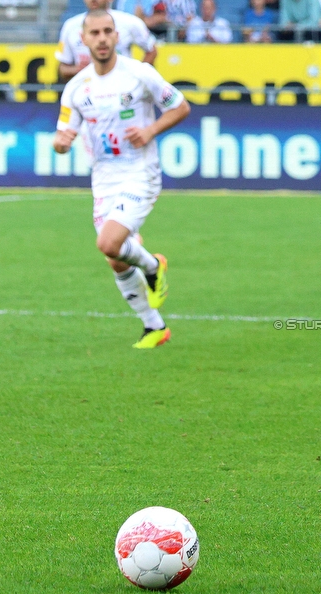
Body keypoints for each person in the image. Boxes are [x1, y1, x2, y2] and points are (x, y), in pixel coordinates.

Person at [54, 9, 192, 349]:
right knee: (116, 257)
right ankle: (154, 327)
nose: (101, 39)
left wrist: (150, 130)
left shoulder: (139, 73)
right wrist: (60, 143)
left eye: (107, 32)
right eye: (95, 33)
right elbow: (64, 133)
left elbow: (180, 106)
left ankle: (153, 266)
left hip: (140, 174)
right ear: (83, 40)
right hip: (104, 180)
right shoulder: (76, 88)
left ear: (117, 37)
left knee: (108, 244)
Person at [56, 0, 158, 82]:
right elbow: (63, 68)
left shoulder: (130, 22)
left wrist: (136, 77)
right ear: (83, 37)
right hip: (87, 91)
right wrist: (77, 70)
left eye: (108, 31)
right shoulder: (70, 26)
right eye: (94, 33)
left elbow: (152, 50)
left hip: (121, 90)